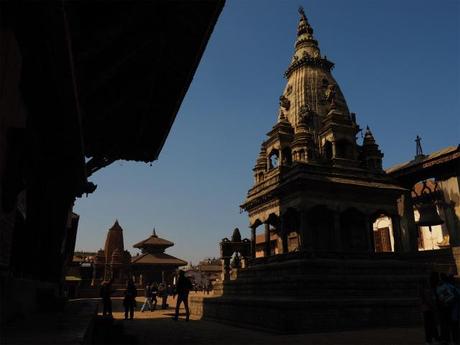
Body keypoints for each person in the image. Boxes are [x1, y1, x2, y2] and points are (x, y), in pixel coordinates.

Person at [420, 272, 440, 344]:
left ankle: (432, 339)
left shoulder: (428, 288)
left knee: (430, 324)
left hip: (427, 308)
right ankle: (431, 339)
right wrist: (433, 306)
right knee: (430, 324)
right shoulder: (428, 288)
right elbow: (428, 299)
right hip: (428, 308)